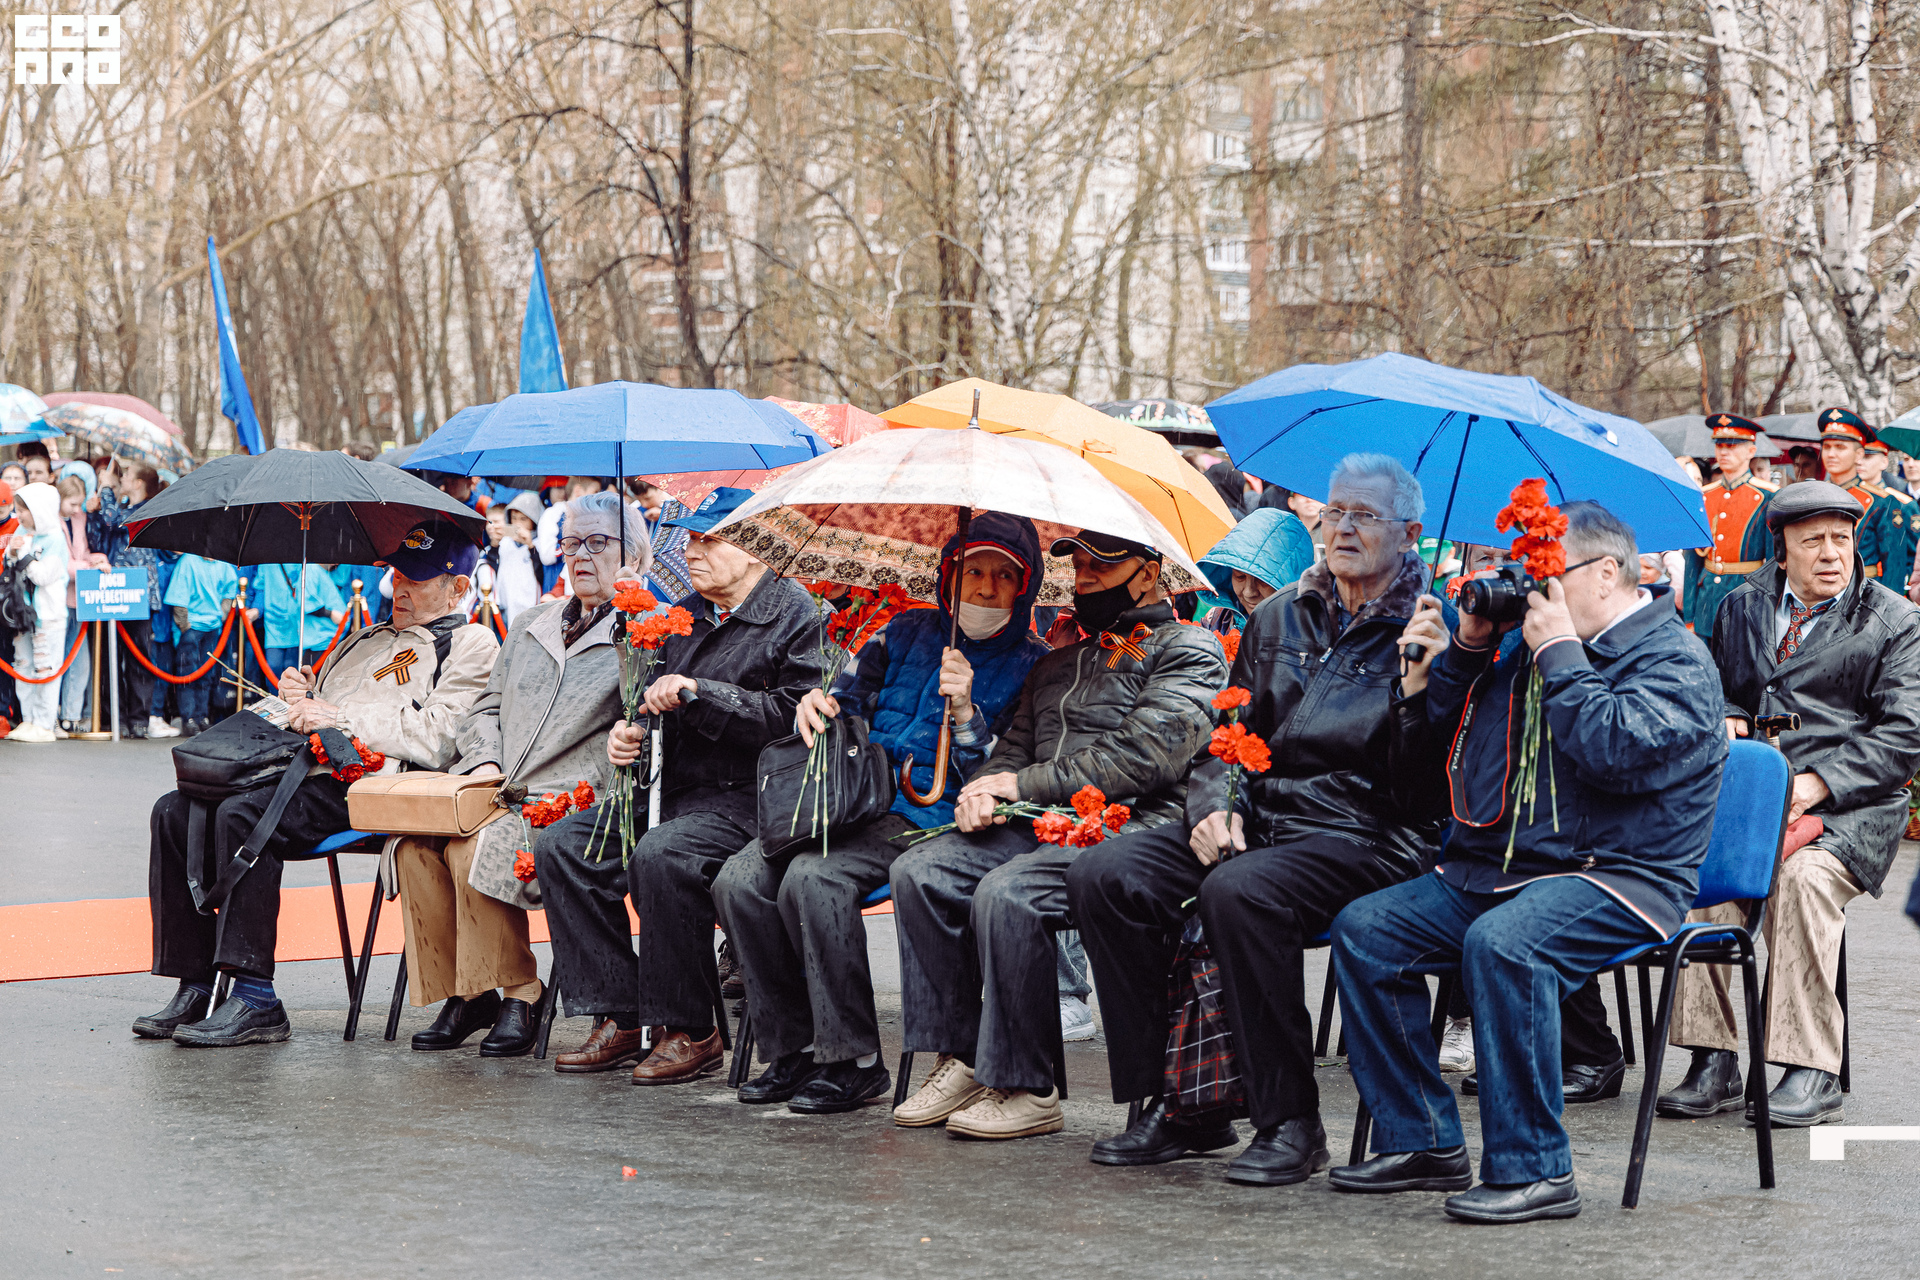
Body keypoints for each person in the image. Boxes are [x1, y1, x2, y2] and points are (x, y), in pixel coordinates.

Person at [1330, 500, 1727, 1224]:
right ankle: (1422, 1139)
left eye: (1547, 571)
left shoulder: (1673, 657)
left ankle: (1537, 1169)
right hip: (1502, 868)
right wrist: (1469, 649)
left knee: (1504, 946)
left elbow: (1618, 754)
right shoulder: (1526, 642)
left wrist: (1559, 655)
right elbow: (1446, 742)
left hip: (1622, 873)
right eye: (1523, 573)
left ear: (1606, 573)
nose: (1530, 588)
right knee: (1365, 931)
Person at [1068, 454, 1437, 1181]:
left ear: (1411, 533)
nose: (1344, 528)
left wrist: (1418, 693)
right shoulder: (1278, 616)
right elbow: (1224, 740)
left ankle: (1291, 1122)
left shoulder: (1437, 630)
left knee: (1240, 893)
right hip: (1263, 820)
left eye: (1365, 515)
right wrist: (1213, 807)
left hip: (1367, 833)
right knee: (1105, 873)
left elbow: (1423, 793)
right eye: (1334, 512)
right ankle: (1175, 1106)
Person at [888, 529, 1224, 1140]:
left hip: (1132, 827)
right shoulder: (1058, 662)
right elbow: (1013, 750)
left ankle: (1027, 1085)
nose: (1086, 575)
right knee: (922, 871)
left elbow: (1146, 756)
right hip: (1041, 823)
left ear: (1148, 575)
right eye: (1080, 564)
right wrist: (982, 789)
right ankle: (964, 1058)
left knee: (1008, 894)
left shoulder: (1188, 648)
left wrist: (1022, 785)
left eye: (1104, 563)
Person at [712, 514, 1051, 1113]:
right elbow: (846, 701)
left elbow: (1010, 772)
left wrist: (969, 715)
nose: (986, 588)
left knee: (813, 878)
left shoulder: (1034, 663)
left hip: (931, 820)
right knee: (739, 880)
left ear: (1024, 588)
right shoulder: (903, 631)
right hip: (846, 800)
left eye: (1004, 576)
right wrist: (821, 706)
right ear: (950, 575)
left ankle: (852, 1062)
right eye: (973, 571)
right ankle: (793, 1049)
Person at [135, 523, 498, 1048]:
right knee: (174, 809)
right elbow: (317, 706)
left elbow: (442, 737)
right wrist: (300, 694)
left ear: (457, 588)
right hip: (301, 766)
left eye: (415, 580)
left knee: (243, 814)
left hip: (372, 783)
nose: (398, 587)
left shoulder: (472, 643)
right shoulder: (364, 637)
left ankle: (256, 995)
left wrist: (338, 713)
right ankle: (197, 983)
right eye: (397, 574)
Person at [531, 489, 825, 1082]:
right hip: (672, 792)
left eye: (709, 538)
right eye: (689, 538)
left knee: (662, 855)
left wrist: (703, 693)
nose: (692, 550)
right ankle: (619, 1013)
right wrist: (630, 737)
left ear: (758, 547)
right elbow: (650, 711)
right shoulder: (682, 615)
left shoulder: (800, 616)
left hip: (754, 799)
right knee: (563, 844)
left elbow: (798, 721)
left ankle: (691, 1028)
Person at [1659, 481, 1920, 1127]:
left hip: (1848, 808)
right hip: (1754, 799)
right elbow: (1720, 688)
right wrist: (1727, 717)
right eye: (1814, 542)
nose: (1832, 554)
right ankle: (1711, 1059)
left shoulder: (1894, 621)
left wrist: (1817, 783)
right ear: (1782, 549)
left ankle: (1811, 1069)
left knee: (1801, 882)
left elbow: (1905, 734)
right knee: (1707, 883)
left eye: (1841, 538)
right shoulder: (1740, 605)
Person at [397, 491, 653, 1057]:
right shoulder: (532, 621)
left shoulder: (645, 633)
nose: (579, 556)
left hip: (574, 797)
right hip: (495, 784)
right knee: (415, 846)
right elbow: (484, 708)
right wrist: (485, 756)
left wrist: (638, 622)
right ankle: (470, 992)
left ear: (635, 554)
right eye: (569, 543)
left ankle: (521, 992)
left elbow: (646, 731)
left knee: (475, 848)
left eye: (598, 543)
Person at [87, 464, 175, 738]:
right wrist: (93, 512)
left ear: (138, 483)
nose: (120, 478)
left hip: (138, 595)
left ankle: (139, 717)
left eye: (125, 476)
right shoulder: (119, 506)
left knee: (138, 659)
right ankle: (114, 715)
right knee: (110, 658)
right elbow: (101, 533)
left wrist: (106, 489)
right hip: (112, 591)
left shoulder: (148, 509)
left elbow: (116, 520)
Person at [1683, 414, 1776, 641]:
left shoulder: (1767, 496)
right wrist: (1689, 615)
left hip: (1747, 601)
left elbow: (1774, 563)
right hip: (1707, 603)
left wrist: (1770, 611)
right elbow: (1692, 562)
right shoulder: (1704, 496)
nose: (1724, 452)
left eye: (1732, 446)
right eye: (1720, 445)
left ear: (1751, 452)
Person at [2, 482, 71, 742]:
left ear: (39, 510)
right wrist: (11, 554)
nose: (18, 515)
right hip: (21, 615)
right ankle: (28, 719)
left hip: (48, 616)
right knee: (24, 665)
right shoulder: (22, 531)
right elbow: (10, 567)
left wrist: (21, 555)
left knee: (46, 668)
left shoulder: (55, 538)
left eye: (23, 510)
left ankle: (44, 722)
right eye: (17, 509)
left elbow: (43, 576)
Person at [1191, 506, 1315, 634]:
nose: (1249, 592)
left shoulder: (1310, 633)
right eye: (1240, 577)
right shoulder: (1218, 619)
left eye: (1261, 580)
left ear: (1289, 580)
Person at [162, 553, 240, 736]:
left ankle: (200, 716)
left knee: (205, 675)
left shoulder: (215, 563)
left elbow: (229, 592)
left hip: (208, 628)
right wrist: (186, 627)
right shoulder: (189, 561)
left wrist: (219, 615)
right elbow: (179, 601)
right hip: (196, 628)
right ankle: (190, 717)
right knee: (189, 674)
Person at [56, 471, 109, 735]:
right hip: (58, 598)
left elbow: (83, 553)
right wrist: (91, 566)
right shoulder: (52, 522)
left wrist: (98, 559)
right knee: (58, 658)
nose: (77, 509)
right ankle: (56, 713)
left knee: (79, 659)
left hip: (79, 598)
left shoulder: (78, 519)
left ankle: (72, 714)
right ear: (60, 498)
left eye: (79, 504)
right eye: (72, 504)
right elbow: (63, 565)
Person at [1814, 408, 1892, 581]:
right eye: (1826, 447)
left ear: (1859, 455)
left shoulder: (1882, 501)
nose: (1831, 454)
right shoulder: (1813, 496)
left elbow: (1893, 566)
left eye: (1840, 447)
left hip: (1865, 592)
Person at [247, 562, 347, 681]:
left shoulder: (307, 564)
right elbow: (261, 587)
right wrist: (258, 609)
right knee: (275, 668)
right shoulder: (309, 568)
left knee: (292, 669)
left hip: (298, 626)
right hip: (277, 624)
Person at [1859, 436, 1917, 596]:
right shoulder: (1848, 497)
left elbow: (1910, 558)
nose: (1860, 462)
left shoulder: (1902, 503)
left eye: (1867, 457)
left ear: (1884, 462)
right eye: (1859, 456)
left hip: (1880, 589)